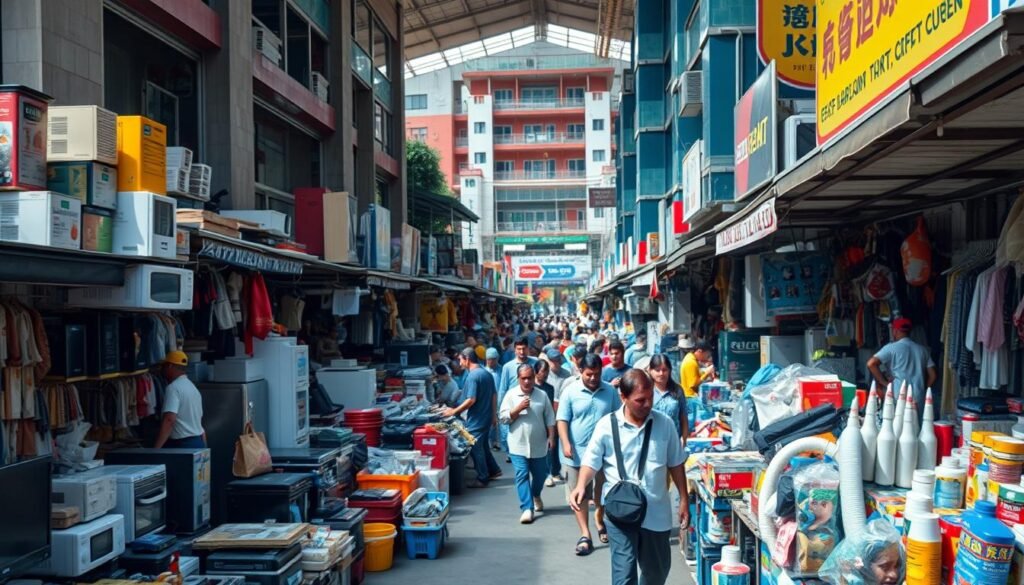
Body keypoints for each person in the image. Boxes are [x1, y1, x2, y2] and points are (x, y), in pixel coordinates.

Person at [570, 369, 690, 585]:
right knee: (624, 576)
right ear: (623, 397)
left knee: (656, 574)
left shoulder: (665, 425)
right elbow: (591, 461)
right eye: (640, 400)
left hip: (656, 513)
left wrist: (683, 499)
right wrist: (580, 485)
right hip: (619, 512)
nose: (647, 404)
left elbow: (676, 463)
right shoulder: (606, 426)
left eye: (651, 397)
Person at [558, 353, 621, 556]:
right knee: (580, 494)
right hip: (577, 454)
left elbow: (618, 419)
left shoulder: (610, 391)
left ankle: (600, 520)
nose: (593, 378)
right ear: (580, 371)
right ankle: (585, 534)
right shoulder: (570, 391)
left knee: (602, 494)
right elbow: (562, 420)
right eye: (588, 374)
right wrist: (566, 443)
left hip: (605, 455)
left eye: (596, 374)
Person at [499, 363, 556, 524]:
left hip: (539, 445)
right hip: (518, 444)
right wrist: (517, 409)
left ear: (534, 377)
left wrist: (551, 437)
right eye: (523, 378)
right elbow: (503, 418)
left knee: (539, 476)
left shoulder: (542, 395)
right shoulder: (511, 395)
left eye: (530, 378)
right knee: (522, 475)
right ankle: (527, 508)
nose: (527, 382)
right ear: (518, 379)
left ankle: (535, 494)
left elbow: (550, 418)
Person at [443, 348, 502, 487]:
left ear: (467, 359)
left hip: (478, 418)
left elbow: (471, 400)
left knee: (474, 446)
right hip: (486, 416)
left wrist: (454, 412)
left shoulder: (473, 376)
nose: (459, 363)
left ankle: (482, 478)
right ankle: (494, 470)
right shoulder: (486, 373)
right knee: (483, 446)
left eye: (460, 360)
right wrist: (493, 415)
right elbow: (494, 395)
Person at [867, 317, 937, 421]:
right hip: (919, 396)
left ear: (894, 331)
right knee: (917, 429)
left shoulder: (891, 348)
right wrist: (924, 388)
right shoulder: (923, 350)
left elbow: (871, 363)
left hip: (898, 395)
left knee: (897, 429)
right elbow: (933, 375)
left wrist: (885, 383)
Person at [154, 351, 206, 449]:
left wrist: (156, 449)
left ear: (169, 366)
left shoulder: (173, 388)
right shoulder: (193, 388)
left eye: (163, 366)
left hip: (183, 445)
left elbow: (169, 420)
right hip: (198, 441)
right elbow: (199, 423)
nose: (161, 370)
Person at [534, 359, 562, 486]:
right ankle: (544, 473)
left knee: (551, 447)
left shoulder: (549, 388)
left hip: (548, 421)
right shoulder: (531, 388)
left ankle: (552, 472)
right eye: (543, 371)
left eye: (547, 371)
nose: (545, 374)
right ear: (536, 372)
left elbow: (551, 406)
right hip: (535, 422)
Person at [647, 354, 688, 441]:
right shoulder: (646, 391)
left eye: (664, 370)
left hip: (673, 441)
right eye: (657, 370)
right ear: (650, 371)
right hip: (652, 441)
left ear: (669, 371)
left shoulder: (677, 390)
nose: (661, 373)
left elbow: (683, 416)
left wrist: (684, 439)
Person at [484, 347, 503, 451]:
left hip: (500, 401)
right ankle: (489, 443)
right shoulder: (483, 371)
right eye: (489, 359)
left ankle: (498, 442)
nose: (491, 361)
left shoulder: (502, 370)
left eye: (494, 359)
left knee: (499, 423)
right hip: (487, 401)